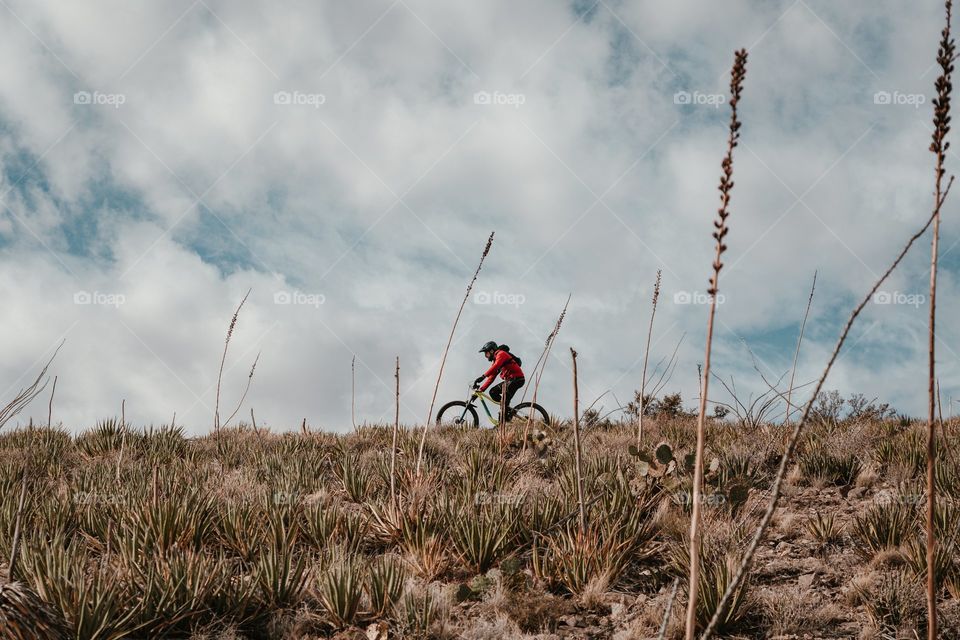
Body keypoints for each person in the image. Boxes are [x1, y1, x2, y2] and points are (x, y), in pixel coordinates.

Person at [474, 341, 525, 416]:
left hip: (517, 379)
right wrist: (481, 390)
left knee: (504, 400)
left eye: (486, 353)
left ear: (491, 351)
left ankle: (505, 415)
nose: (485, 356)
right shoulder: (496, 359)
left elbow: (496, 366)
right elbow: (491, 377)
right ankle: (507, 410)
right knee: (493, 392)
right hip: (511, 380)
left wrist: (483, 376)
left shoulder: (501, 354)